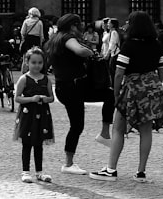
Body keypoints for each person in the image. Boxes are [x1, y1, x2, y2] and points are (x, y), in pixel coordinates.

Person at [89, 11, 163, 182]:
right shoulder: (157, 44)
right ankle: (141, 173)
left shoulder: (129, 45)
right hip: (152, 88)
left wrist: (116, 92)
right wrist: (154, 84)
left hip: (132, 88)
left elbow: (119, 73)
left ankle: (111, 169)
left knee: (118, 128)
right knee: (146, 130)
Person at [45, 13, 114, 175]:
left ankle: (102, 135)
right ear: (73, 26)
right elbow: (79, 50)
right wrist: (90, 53)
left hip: (65, 87)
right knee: (78, 124)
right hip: (74, 87)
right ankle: (69, 163)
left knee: (78, 123)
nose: (81, 28)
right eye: (79, 25)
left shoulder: (53, 40)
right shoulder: (67, 37)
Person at [13, 47, 55, 183]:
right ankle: (25, 171)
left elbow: (51, 97)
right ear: (27, 62)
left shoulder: (46, 79)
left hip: (42, 114)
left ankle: (39, 171)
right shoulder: (24, 79)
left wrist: (44, 98)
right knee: (27, 143)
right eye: (34, 62)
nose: (37, 66)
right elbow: (17, 98)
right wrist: (31, 99)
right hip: (27, 115)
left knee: (38, 143)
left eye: (40, 63)